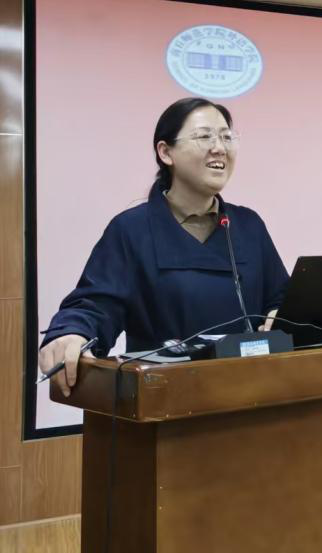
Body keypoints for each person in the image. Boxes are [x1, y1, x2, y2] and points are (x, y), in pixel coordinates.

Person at [38, 97, 289, 395]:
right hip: (165, 398)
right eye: (205, 136)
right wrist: (71, 333)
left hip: (253, 395)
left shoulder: (248, 225)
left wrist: (281, 314)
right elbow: (95, 305)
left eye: (226, 137)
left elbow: (281, 298)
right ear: (165, 152)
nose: (219, 147)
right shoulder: (131, 229)